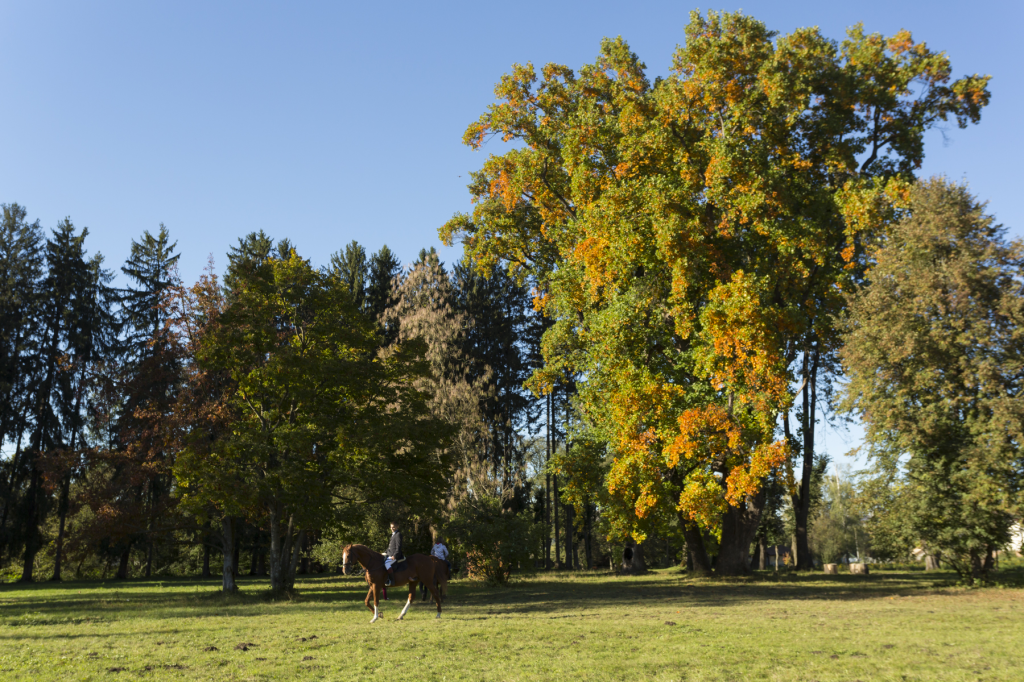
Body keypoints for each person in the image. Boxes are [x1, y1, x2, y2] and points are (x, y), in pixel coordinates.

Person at [384, 521, 404, 586]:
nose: (392, 528)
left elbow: (398, 547)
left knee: (386, 563)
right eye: (391, 527)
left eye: (393, 527)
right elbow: (390, 547)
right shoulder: (393, 534)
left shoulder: (398, 534)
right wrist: (384, 553)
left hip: (395, 555)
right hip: (389, 554)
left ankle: (392, 580)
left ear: (397, 527)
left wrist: (395, 555)